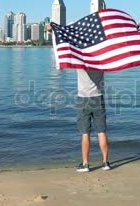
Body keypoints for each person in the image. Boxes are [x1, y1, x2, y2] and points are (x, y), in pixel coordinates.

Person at [46, 24, 111, 172]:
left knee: (85, 133)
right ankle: (106, 163)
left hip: (83, 98)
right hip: (98, 98)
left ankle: (86, 164)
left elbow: (62, 44)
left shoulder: (79, 59)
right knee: (101, 131)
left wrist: (52, 31)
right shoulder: (101, 60)